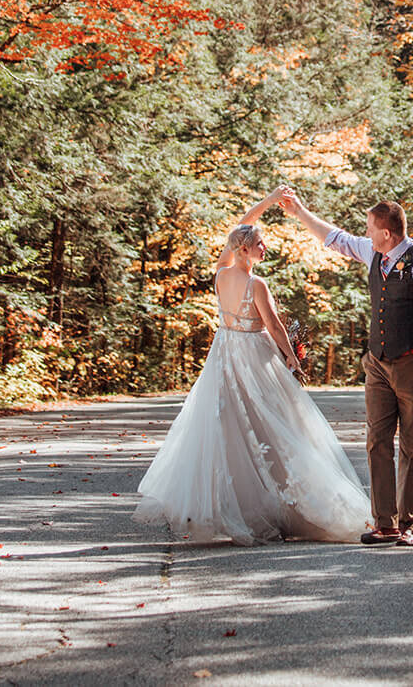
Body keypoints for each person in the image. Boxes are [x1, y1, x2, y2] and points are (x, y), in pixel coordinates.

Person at [131, 187, 370, 545]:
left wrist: (270, 201)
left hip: (225, 354)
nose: (265, 248)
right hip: (254, 357)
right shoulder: (256, 284)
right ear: (244, 249)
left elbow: (241, 226)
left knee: (233, 430)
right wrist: (291, 357)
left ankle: (245, 506)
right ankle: (286, 506)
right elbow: (273, 326)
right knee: (279, 424)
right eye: (259, 244)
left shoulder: (221, 274)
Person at [279, 191, 413, 547]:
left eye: (370, 229)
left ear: (387, 232)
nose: (366, 234)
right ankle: (384, 524)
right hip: (378, 363)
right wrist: (300, 212)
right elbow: (334, 239)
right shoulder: (374, 252)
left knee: (411, 446)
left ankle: (407, 524)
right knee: (376, 443)